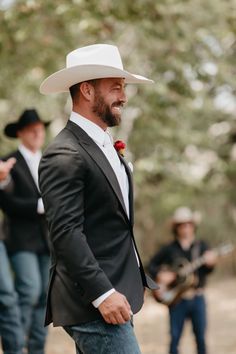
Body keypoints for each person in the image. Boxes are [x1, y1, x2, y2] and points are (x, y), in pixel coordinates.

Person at [38, 43, 158, 354]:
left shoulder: (104, 145)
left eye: (123, 87)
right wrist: (103, 293)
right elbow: (65, 234)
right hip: (92, 302)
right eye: (116, 87)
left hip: (115, 295)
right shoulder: (64, 153)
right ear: (88, 91)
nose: (124, 96)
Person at [1, 109, 51, 354]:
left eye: (40, 127)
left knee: (45, 296)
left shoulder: (50, 160)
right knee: (29, 290)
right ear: (20, 133)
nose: (37, 132)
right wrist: (40, 205)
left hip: (49, 241)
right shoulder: (9, 162)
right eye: (31, 128)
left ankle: (36, 348)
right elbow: (6, 202)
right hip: (21, 240)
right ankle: (16, 346)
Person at [148, 207, 217, 354]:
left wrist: (211, 264)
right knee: (174, 338)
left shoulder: (202, 246)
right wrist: (161, 275)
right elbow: (150, 265)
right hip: (176, 300)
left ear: (193, 225)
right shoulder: (169, 249)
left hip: (197, 298)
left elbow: (208, 271)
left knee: (201, 338)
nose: (185, 227)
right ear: (176, 227)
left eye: (188, 224)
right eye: (181, 224)